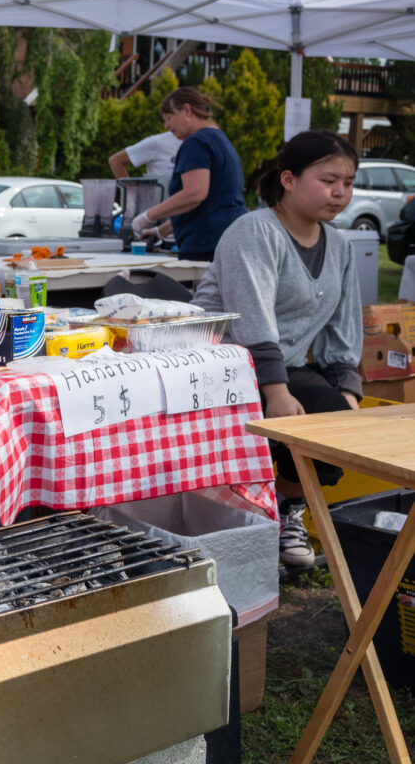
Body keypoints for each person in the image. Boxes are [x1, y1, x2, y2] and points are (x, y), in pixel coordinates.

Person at [192, 130, 362, 569]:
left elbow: (343, 327)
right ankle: (248, 523)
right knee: (292, 428)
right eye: (328, 180)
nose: (339, 192)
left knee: (340, 435)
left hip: (282, 367)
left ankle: (283, 512)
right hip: (223, 366)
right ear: (288, 179)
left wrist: (347, 388)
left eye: (348, 181)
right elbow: (251, 315)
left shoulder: (340, 246)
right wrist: (276, 392)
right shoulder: (253, 231)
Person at [131, 87, 247, 261]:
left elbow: (194, 194)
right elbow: (209, 205)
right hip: (229, 241)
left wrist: (147, 216)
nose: (166, 126)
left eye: (169, 118)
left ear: (186, 110)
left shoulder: (196, 143)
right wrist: (160, 231)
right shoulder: (220, 140)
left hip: (206, 246)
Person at [108, 130, 181, 192]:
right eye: (167, 118)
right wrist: (131, 194)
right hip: (160, 205)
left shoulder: (190, 142)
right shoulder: (159, 142)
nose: (166, 125)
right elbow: (116, 160)